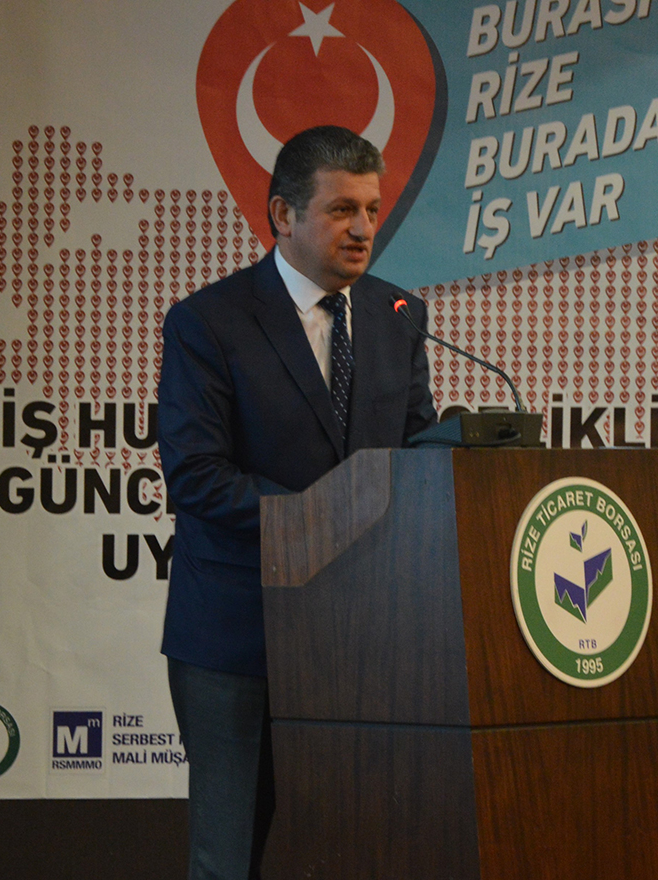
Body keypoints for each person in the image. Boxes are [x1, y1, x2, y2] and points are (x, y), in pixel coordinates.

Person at [156, 125, 437, 880]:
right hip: (237, 640)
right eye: (343, 210)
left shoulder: (397, 315)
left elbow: (415, 452)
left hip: (364, 641)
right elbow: (197, 475)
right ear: (283, 215)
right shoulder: (208, 322)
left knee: (354, 853)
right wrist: (325, 519)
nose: (364, 228)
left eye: (372, 209)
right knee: (229, 858)